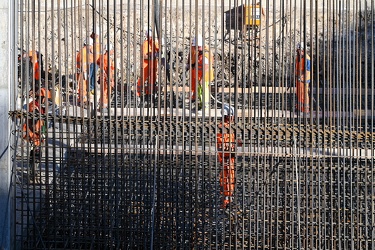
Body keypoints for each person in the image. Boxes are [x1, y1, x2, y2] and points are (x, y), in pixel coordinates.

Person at [216, 104, 242, 209]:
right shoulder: (222, 127)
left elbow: (229, 141)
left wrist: (236, 142)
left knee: (230, 176)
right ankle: (227, 199)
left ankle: (228, 198)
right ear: (228, 116)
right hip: (226, 157)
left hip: (230, 156)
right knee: (227, 177)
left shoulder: (231, 127)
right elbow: (222, 144)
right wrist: (233, 145)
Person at [186, 35, 214, 111]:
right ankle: (202, 106)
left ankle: (205, 107)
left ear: (200, 46)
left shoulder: (205, 54)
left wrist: (202, 78)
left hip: (204, 76)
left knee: (204, 91)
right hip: (200, 75)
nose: (195, 48)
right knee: (201, 91)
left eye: (196, 47)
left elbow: (206, 67)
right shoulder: (200, 52)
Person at [137, 28, 160, 107]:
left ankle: (149, 95)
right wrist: (152, 56)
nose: (150, 38)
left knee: (152, 81)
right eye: (149, 36)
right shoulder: (144, 44)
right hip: (145, 66)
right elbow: (144, 56)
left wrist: (158, 53)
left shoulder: (155, 43)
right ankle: (139, 95)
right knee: (142, 80)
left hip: (153, 66)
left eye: (151, 36)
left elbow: (160, 52)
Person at [97, 43, 115, 111]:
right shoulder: (107, 59)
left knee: (103, 92)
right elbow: (109, 70)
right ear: (109, 50)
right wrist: (110, 80)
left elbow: (98, 62)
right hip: (106, 78)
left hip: (103, 76)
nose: (113, 51)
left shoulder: (102, 57)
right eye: (112, 49)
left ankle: (102, 105)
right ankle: (104, 107)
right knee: (106, 92)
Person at [295, 42, 311, 113]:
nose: (300, 52)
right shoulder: (298, 58)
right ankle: (299, 108)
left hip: (304, 80)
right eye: (299, 50)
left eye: (301, 50)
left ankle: (305, 109)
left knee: (304, 94)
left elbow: (307, 70)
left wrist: (302, 77)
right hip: (298, 79)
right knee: (298, 93)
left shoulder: (307, 58)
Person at [76, 38, 93, 104]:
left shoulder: (85, 52)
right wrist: (84, 72)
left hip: (84, 71)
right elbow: (82, 63)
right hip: (82, 72)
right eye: (91, 45)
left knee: (84, 86)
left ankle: (84, 99)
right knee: (82, 86)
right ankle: (82, 100)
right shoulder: (83, 52)